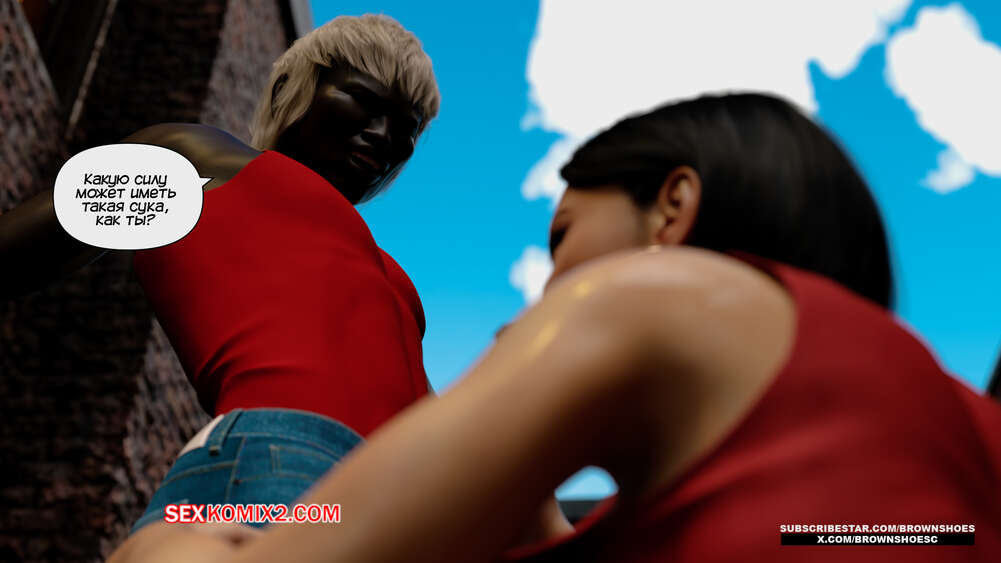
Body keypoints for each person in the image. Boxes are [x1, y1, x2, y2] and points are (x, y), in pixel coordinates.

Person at [108, 91, 1001, 563]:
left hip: (278, 462)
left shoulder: (667, 297)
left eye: (564, 237)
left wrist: (172, 544)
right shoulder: (934, 438)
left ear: (672, 208)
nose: (555, 285)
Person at [0, 14, 446, 534]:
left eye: (406, 130)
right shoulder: (201, 165)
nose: (384, 136)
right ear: (291, 86)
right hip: (287, 464)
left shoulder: (393, 281)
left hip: (397, 509)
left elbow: (430, 428)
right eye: (363, 100)